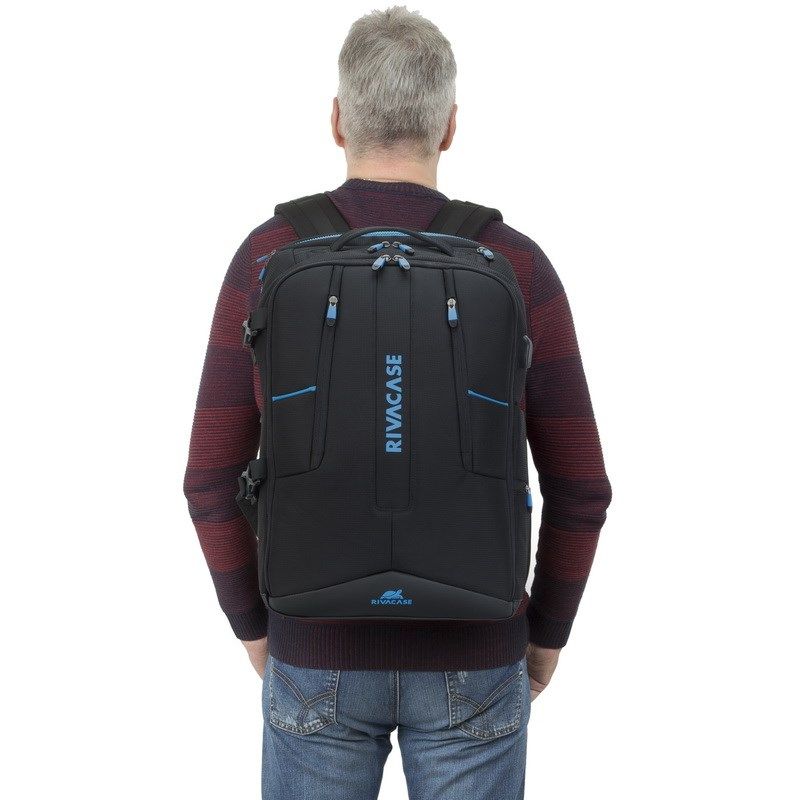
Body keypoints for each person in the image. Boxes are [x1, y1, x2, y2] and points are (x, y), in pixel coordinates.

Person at [183, 7, 611, 799]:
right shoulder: (515, 263)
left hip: (314, 647)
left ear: (337, 119)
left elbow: (209, 479)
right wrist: (544, 636)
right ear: (449, 126)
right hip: (477, 652)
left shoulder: (268, 257)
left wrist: (258, 630)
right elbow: (582, 487)